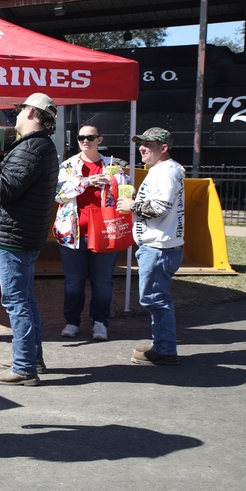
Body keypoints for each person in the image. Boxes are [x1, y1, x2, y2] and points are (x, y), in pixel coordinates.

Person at [0, 93, 59, 386]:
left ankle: (24, 365)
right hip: (22, 234)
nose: (16, 114)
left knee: (16, 301)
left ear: (30, 112)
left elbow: (5, 189)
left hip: (14, 236)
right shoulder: (37, 146)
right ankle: (29, 356)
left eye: (20, 109)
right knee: (25, 299)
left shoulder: (32, 147)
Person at [53, 124, 131, 341]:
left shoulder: (114, 166)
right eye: (81, 137)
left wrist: (114, 181)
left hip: (105, 232)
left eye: (90, 137)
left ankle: (100, 322)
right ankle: (72, 322)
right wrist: (86, 182)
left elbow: (127, 193)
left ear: (100, 140)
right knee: (74, 282)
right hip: (73, 234)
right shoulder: (67, 166)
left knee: (103, 281)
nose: (85, 141)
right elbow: (58, 195)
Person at [117, 127, 185, 366]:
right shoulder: (165, 170)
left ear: (163, 148)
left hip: (158, 247)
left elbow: (159, 209)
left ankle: (165, 350)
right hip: (161, 246)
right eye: (141, 143)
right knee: (157, 298)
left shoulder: (165, 172)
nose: (142, 148)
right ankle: (162, 345)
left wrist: (132, 205)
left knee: (156, 300)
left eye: (148, 144)